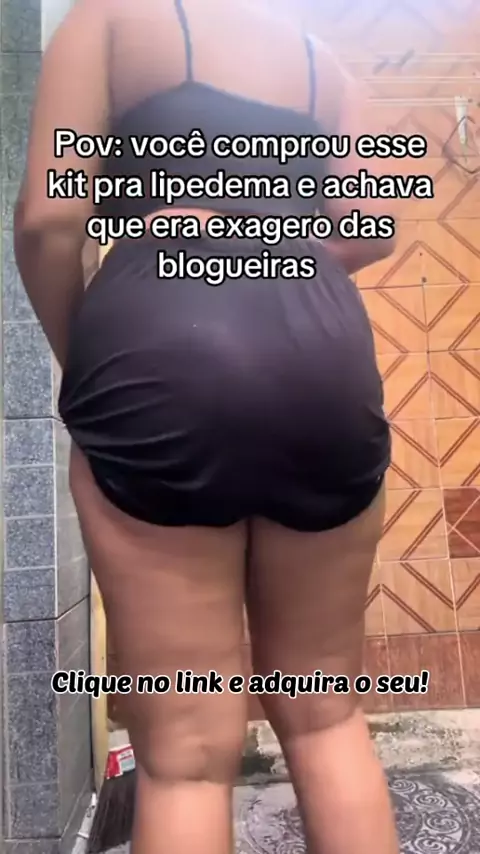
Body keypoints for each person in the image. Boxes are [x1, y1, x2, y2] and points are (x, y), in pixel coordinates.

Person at [14, 1, 400, 853]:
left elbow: (49, 219)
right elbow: (373, 230)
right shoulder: (326, 64)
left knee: (185, 757)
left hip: (156, 339)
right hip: (320, 354)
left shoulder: (108, 18)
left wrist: (90, 360)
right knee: (327, 716)